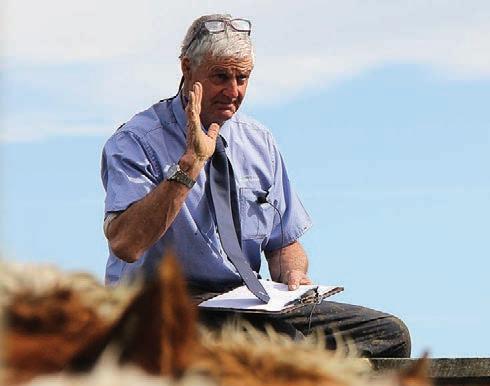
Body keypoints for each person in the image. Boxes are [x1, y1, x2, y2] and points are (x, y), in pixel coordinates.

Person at [101, 14, 411, 358]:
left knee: (389, 335)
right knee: (283, 344)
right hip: (161, 307)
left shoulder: (258, 141)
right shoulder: (136, 141)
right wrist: (190, 165)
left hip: (247, 304)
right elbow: (126, 244)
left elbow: (283, 243)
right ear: (187, 68)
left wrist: (292, 273)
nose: (233, 91)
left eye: (242, 78)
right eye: (221, 76)